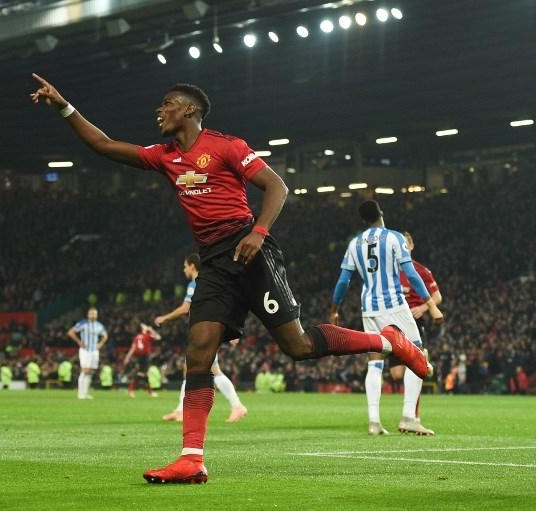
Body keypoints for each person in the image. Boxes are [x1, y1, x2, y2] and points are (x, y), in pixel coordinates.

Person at [31, 75, 431, 484]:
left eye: (167, 103)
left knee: (298, 345)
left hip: (249, 250)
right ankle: (191, 458)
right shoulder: (164, 155)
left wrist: (258, 232)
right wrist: (65, 106)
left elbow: (277, 186)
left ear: (190, 110)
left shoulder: (226, 146)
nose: (160, 110)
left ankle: (389, 342)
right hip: (214, 264)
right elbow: (104, 145)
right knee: (199, 351)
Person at [329, 202, 443, 436]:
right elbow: (410, 273)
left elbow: (343, 282)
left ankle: (374, 422)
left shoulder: (354, 244)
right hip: (394, 305)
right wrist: (431, 305)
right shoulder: (395, 238)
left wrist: (334, 309)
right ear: (381, 214)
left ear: (363, 221)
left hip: (369, 308)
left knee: (375, 362)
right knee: (417, 355)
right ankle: (409, 417)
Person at [156, 254, 248, 423]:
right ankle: (181, 410)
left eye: (185, 266)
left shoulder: (196, 283)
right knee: (190, 369)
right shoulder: (209, 283)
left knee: (212, 370)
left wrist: (164, 318)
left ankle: (237, 406)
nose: (184, 269)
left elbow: (185, 308)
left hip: (206, 332)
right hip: (207, 330)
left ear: (192, 266)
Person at [397, 231, 443, 434]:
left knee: (414, 367)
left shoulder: (420, 270)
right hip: (393, 323)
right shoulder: (390, 270)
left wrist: (423, 308)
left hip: (415, 323)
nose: (403, 247)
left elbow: (437, 296)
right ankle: (426, 366)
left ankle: (413, 416)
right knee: (397, 373)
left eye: (406, 244)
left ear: (412, 245)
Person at [67, 307, 108, 400]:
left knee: (90, 372)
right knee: (85, 370)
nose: (93, 315)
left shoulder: (99, 325)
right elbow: (71, 332)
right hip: (85, 350)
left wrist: (100, 344)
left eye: (95, 313)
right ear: (88, 315)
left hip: (94, 351)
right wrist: (79, 342)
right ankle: (80, 393)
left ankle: (85, 393)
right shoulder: (83, 323)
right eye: (91, 313)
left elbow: (105, 335)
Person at [123, 323, 162, 397]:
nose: (146, 326)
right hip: (144, 357)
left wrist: (127, 357)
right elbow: (159, 337)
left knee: (144, 374)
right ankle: (130, 390)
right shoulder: (147, 335)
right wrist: (151, 329)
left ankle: (150, 392)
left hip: (139, 357)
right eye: (145, 326)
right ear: (143, 329)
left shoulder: (137, 337)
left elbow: (133, 348)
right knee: (141, 374)